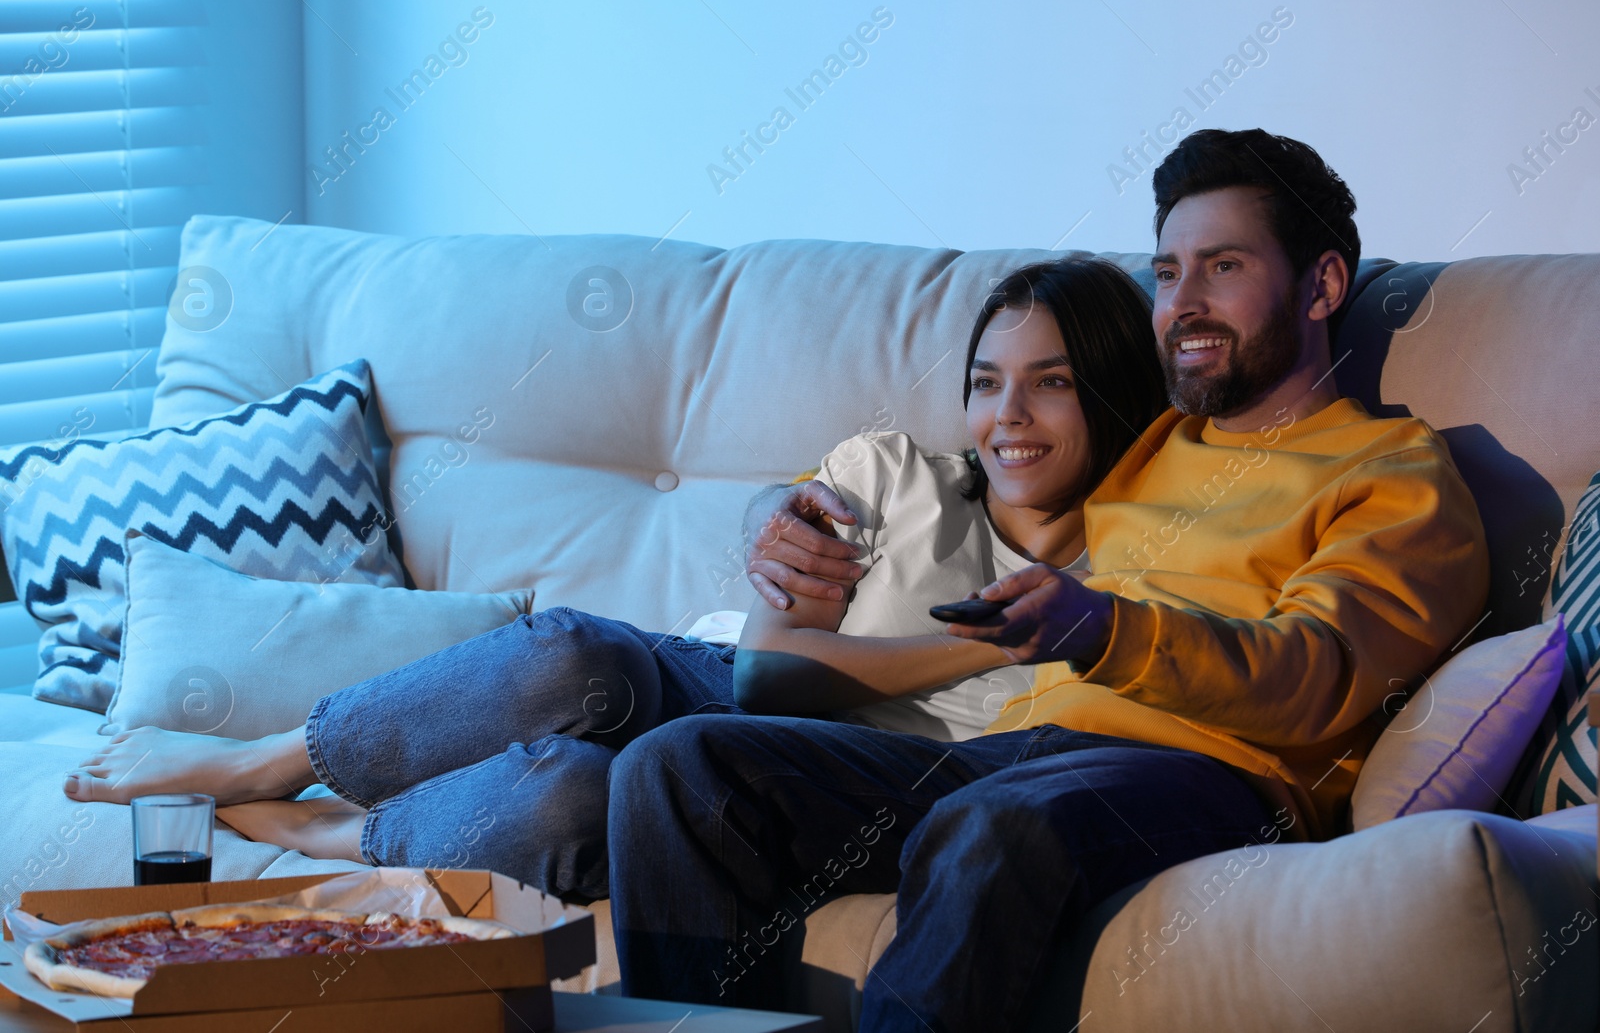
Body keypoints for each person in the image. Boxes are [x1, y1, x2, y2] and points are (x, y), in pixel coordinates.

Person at [606, 128, 1490, 1032]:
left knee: (994, 824)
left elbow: (1319, 673)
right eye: (1169, 272)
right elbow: (986, 458)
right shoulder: (1152, 442)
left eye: (1222, 267)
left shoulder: (1395, 475)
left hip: (1212, 778)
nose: (1183, 302)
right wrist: (776, 514)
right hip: (1021, 748)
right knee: (681, 765)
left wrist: (1108, 631)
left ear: (1324, 284)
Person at [61, 256, 1170, 906]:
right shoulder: (890, 475)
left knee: (574, 798)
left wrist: (1044, 628)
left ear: (1114, 393)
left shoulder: (1142, 575)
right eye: (986, 381)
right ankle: (267, 756)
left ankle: (316, 834)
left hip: (835, 779)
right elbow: (775, 670)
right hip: (727, 687)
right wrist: (997, 635)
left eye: (1053, 384)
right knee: (571, 652)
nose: (1007, 416)